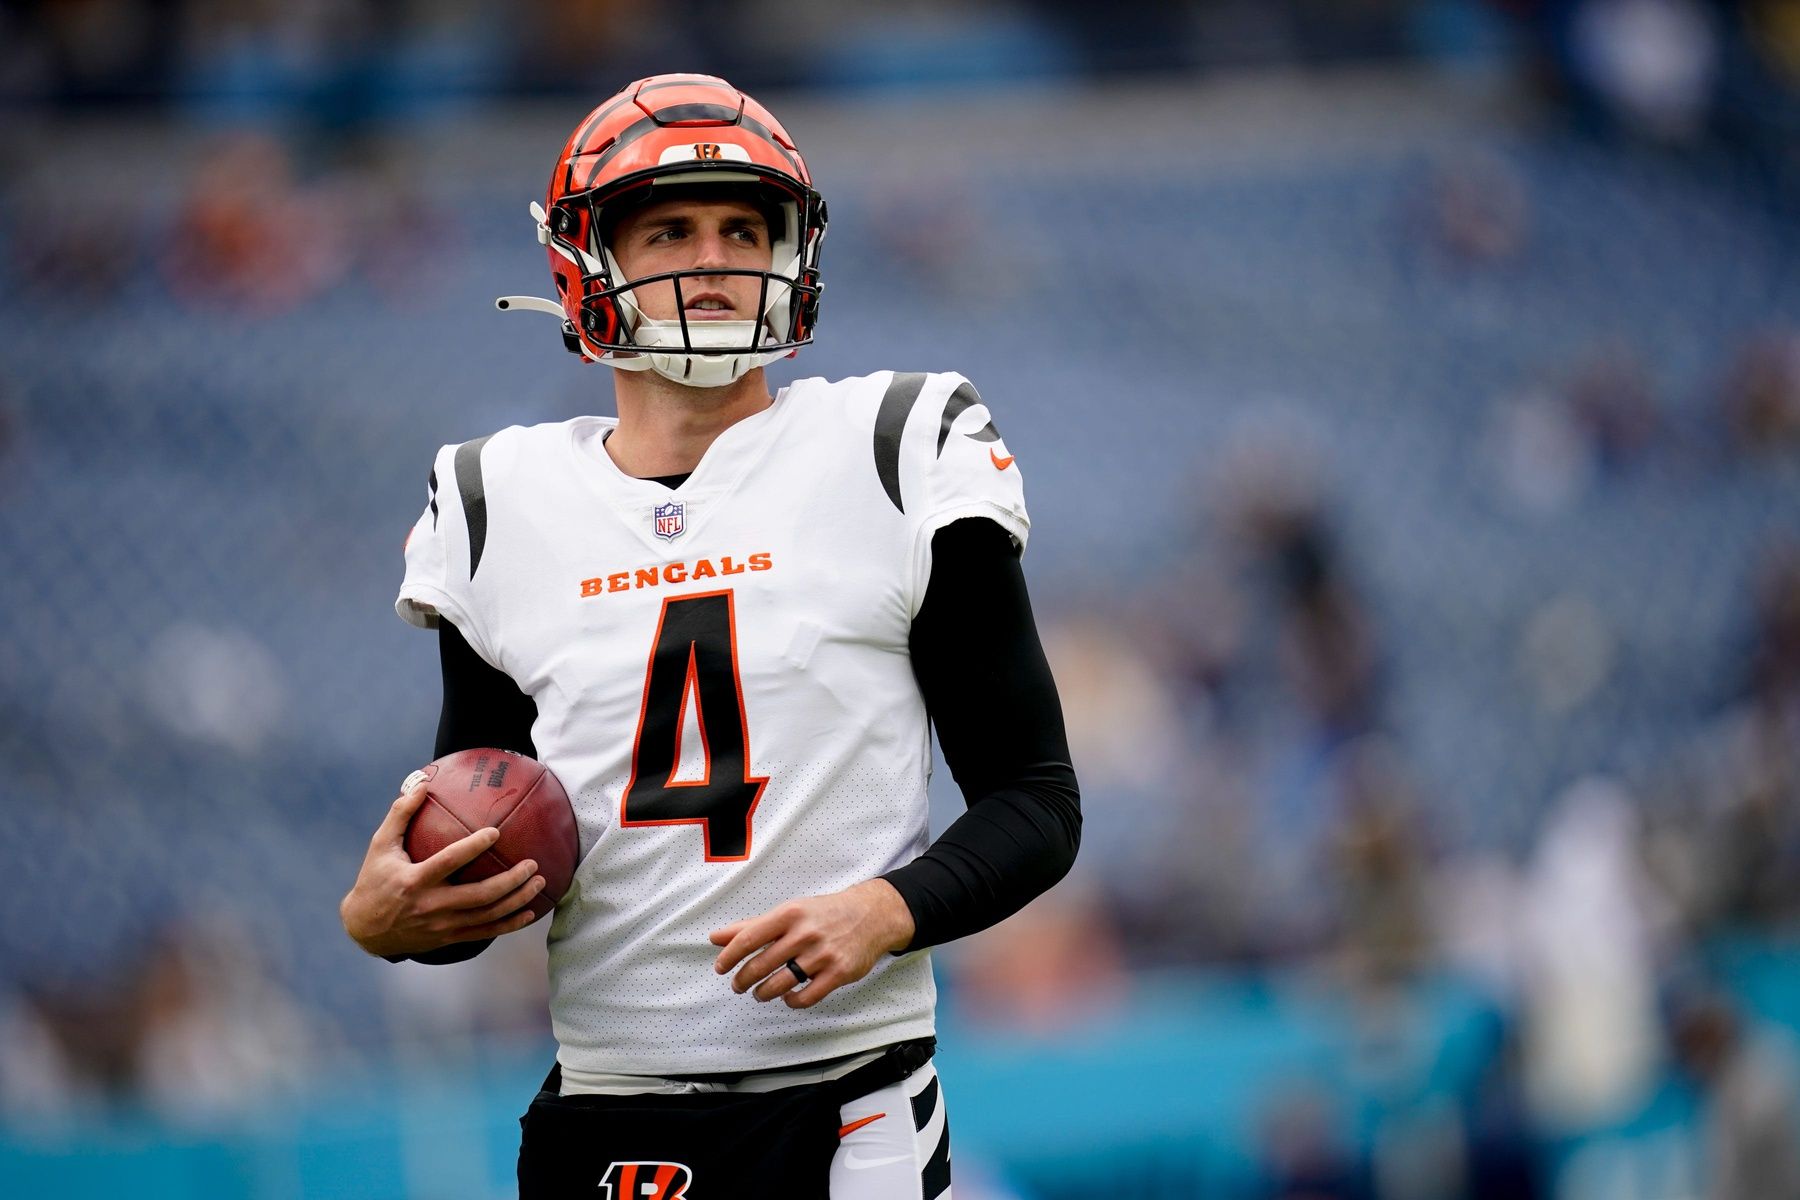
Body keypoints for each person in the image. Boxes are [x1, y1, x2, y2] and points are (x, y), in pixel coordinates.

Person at [339, 73, 1080, 1199]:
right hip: (610, 1112)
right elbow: (491, 853)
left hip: (855, 1095)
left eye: (744, 229)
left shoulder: (896, 448)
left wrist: (887, 909)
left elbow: (1037, 800)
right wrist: (390, 919)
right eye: (670, 230)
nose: (714, 259)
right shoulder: (498, 504)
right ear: (588, 260)